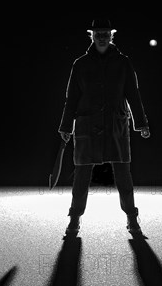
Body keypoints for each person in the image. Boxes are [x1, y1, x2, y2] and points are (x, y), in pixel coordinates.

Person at [58, 17, 150, 236]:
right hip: (87, 125)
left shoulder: (123, 62)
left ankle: (132, 218)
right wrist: (66, 126)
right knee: (81, 176)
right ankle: (74, 219)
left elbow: (133, 95)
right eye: (97, 33)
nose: (102, 37)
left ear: (111, 36)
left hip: (115, 124)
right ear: (92, 36)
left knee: (123, 175)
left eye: (105, 34)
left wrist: (142, 123)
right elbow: (71, 98)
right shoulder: (80, 63)